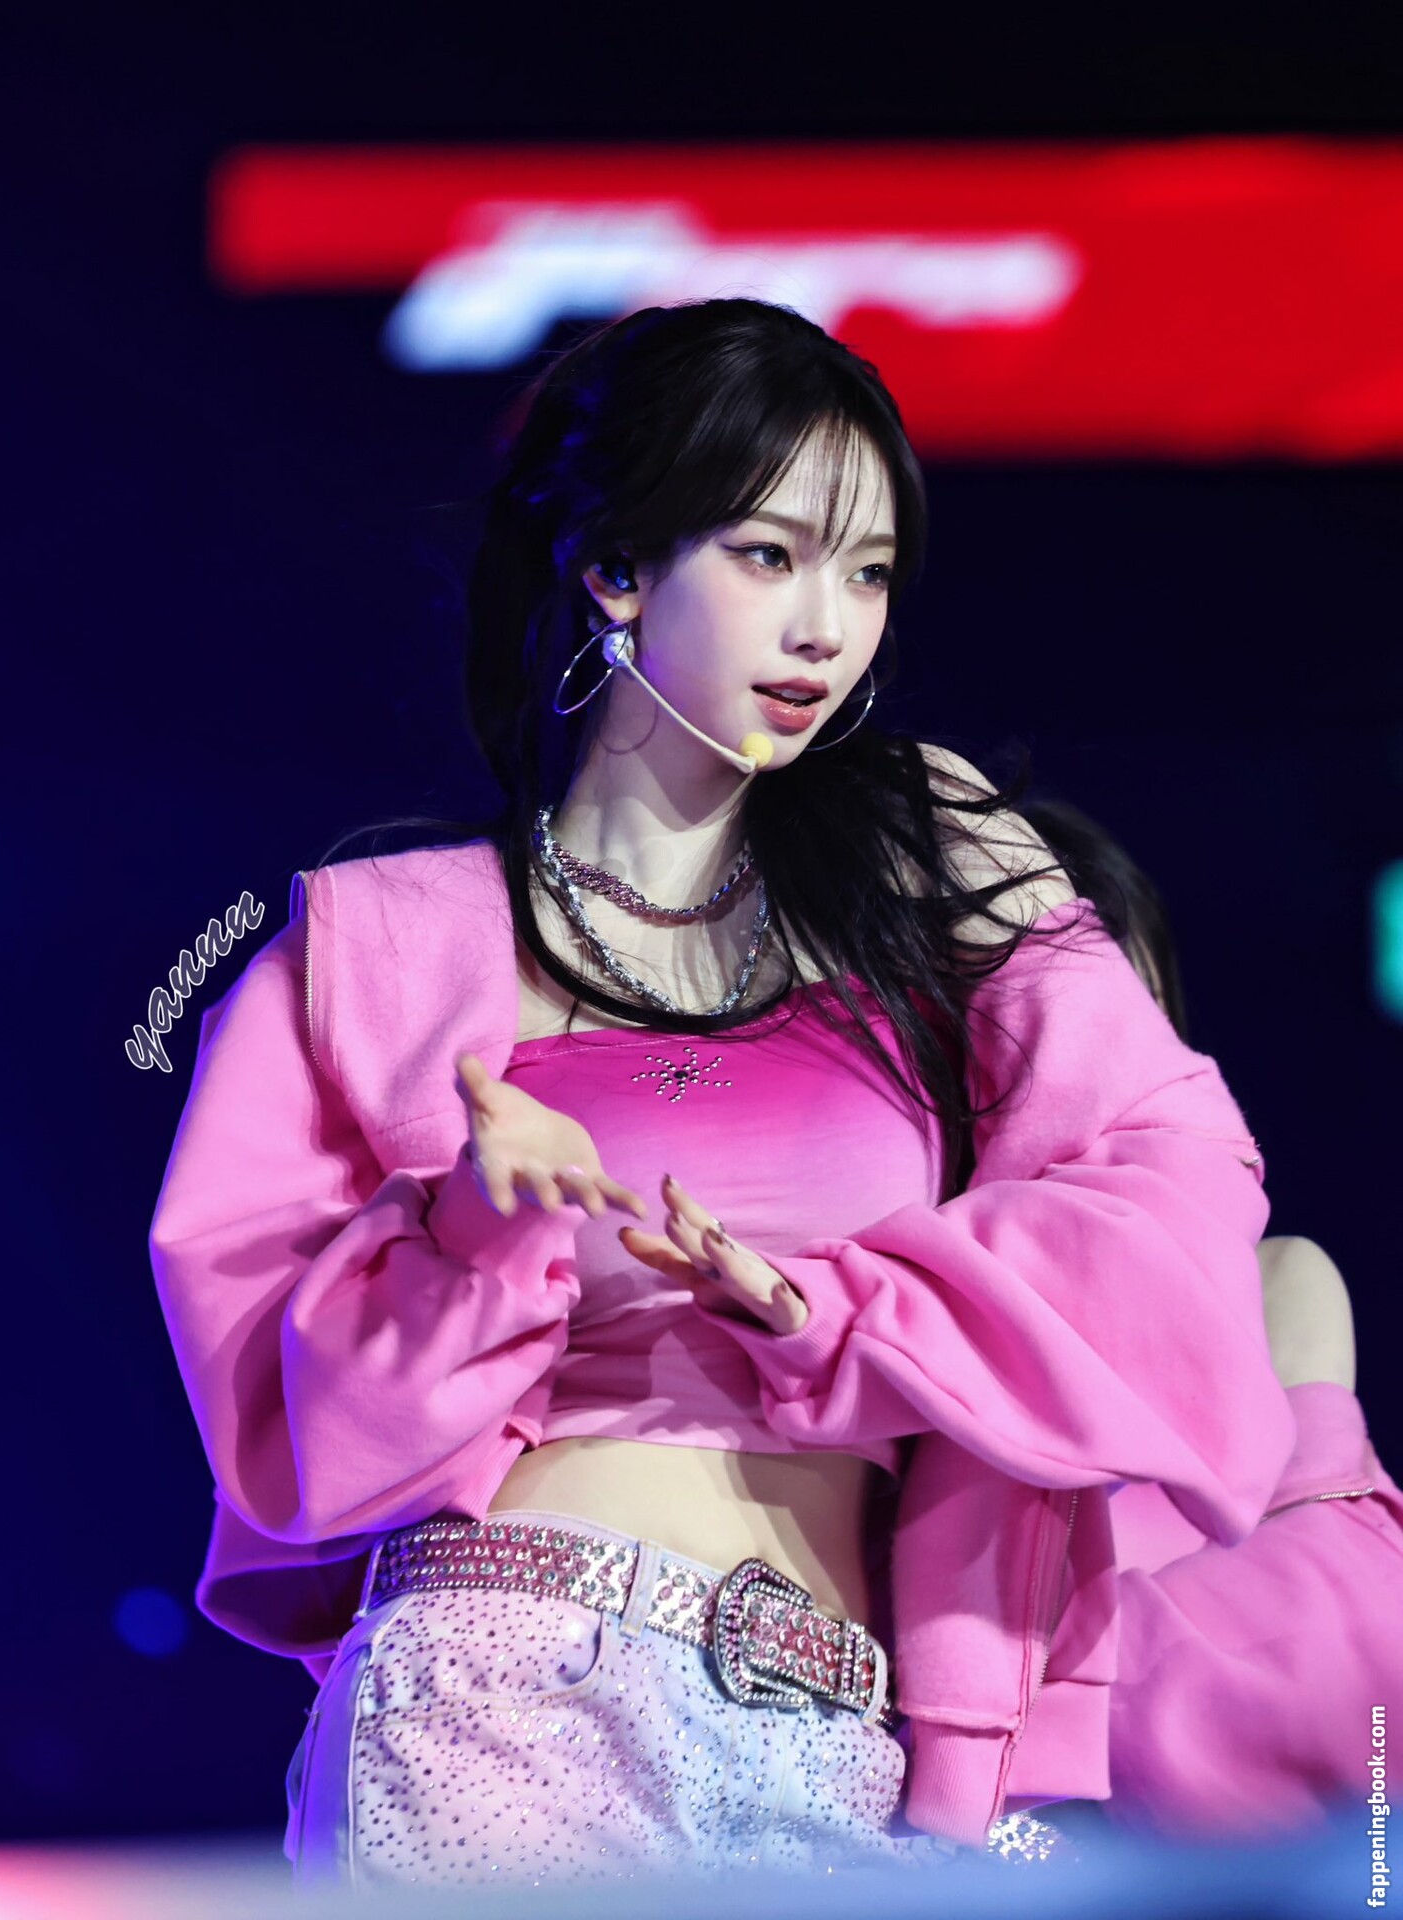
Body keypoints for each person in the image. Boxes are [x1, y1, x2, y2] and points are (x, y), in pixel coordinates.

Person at [148, 298, 1297, 1891]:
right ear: (616, 568)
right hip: (509, 1687)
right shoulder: (379, 951)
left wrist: (850, 1311)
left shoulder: (927, 885)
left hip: (848, 1743)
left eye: (868, 572)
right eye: (770, 556)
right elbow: (286, 1435)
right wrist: (470, 1226)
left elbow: (1175, 1191)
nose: (828, 627)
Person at [1022, 798, 1403, 1842]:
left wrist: (1000, 1720)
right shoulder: (867, 1329)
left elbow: (1344, 1636)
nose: (1083, 1076)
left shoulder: (1273, 1286)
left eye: (1126, 1025)